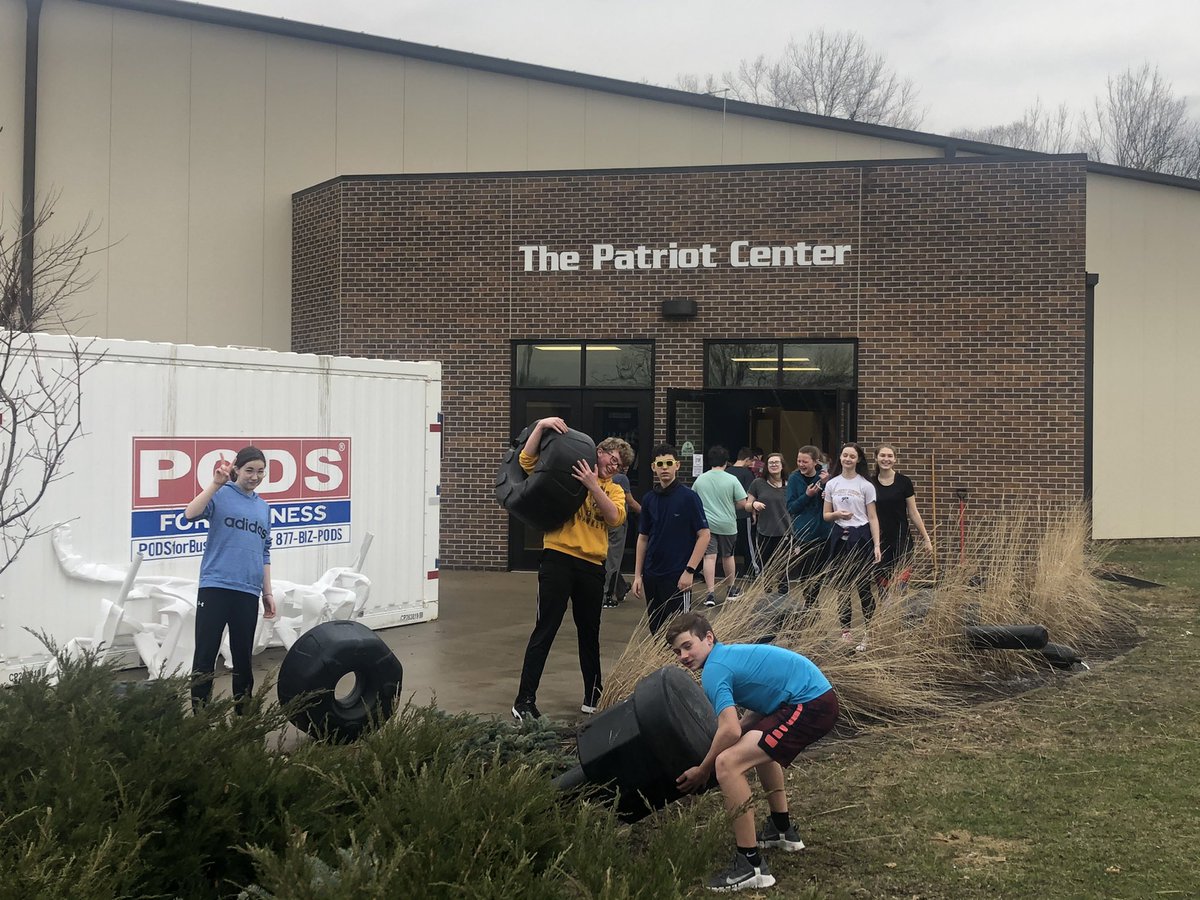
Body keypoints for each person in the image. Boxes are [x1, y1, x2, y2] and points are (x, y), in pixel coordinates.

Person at [668, 612, 839, 893]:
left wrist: (704, 768)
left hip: (810, 704)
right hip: (809, 699)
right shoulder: (726, 656)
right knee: (753, 744)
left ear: (708, 638)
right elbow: (750, 717)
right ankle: (781, 830)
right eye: (677, 651)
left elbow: (729, 731)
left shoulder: (714, 669)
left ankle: (751, 866)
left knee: (727, 764)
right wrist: (736, 736)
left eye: (688, 646)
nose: (683, 656)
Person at [512, 419, 631, 721]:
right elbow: (526, 462)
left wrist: (594, 485)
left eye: (619, 466)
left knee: (589, 633)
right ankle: (524, 700)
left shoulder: (614, 490)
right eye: (611, 459)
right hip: (558, 559)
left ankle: (593, 695)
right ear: (599, 451)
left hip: (592, 566)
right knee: (546, 628)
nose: (613, 466)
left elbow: (615, 518)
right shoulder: (567, 469)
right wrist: (539, 427)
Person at [185, 445, 276, 714]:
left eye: (261, 471)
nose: (255, 476)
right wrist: (214, 484)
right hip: (215, 587)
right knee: (205, 656)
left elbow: (264, 551)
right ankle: (201, 716)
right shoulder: (221, 494)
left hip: (247, 592)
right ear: (236, 469)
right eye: (249, 470)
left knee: (243, 659)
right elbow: (190, 514)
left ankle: (244, 715)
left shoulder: (263, 507)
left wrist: (267, 592)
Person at [632, 444, 710, 634]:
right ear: (653, 467)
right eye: (660, 464)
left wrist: (689, 571)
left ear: (677, 465)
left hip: (677, 576)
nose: (664, 467)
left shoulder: (689, 498)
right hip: (652, 575)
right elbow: (643, 538)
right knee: (656, 629)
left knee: (681, 631)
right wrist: (637, 575)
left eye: (668, 463)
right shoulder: (650, 499)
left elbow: (704, 535)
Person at [822, 443, 882, 649]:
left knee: (864, 588)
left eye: (852, 456)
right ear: (840, 458)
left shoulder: (865, 485)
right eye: (845, 455)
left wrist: (876, 545)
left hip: (861, 537)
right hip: (840, 538)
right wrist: (838, 514)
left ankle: (869, 632)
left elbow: (873, 517)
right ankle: (845, 632)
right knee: (842, 588)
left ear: (858, 460)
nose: (848, 459)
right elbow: (826, 515)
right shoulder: (832, 484)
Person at [692, 446, 752, 607]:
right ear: (726, 462)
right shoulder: (731, 479)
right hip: (728, 524)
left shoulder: (701, 479)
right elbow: (742, 503)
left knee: (709, 557)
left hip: (707, 525)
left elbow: (694, 501)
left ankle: (710, 594)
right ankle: (731, 590)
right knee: (728, 556)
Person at [871, 444, 933, 590]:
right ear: (876, 458)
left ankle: (898, 612)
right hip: (879, 541)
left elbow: (913, 512)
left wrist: (926, 539)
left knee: (900, 586)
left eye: (890, 456)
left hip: (902, 539)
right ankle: (886, 612)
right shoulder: (870, 483)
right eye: (882, 455)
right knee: (883, 586)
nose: (886, 459)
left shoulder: (904, 482)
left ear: (895, 459)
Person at [785, 445, 831, 611]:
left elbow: (832, 502)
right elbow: (791, 507)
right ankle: (810, 604)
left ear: (815, 462)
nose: (801, 464)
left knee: (820, 571)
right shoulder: (794, 478)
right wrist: (807, 496)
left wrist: (826, 486)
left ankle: (814, 602)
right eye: (798, 460)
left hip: (823, 532)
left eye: (805, 461)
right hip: (803, 534)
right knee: (805, 572)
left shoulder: (825, 478)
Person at [746, 452, 791, 594]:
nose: (773, 465)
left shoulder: (789, 484)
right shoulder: (758, 483)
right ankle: (767, 594)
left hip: (785, 532)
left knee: (783, 566)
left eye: (776, 462)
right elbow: (747, 504)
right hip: (765, 531)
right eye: (770, 463)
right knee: (765, 565)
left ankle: (783, 595)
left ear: (782, 465)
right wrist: (754, 505)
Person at [603, 457, 642, 608]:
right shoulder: (621, 478)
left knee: (606, 557)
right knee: (613, 559)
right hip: (617, 523)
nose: (626, 468)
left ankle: (620, 588)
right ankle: (607, 595)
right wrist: (646, 513)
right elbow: (630, 502)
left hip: (602, 521)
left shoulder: (602, 475)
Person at [729, 448, 760, 581]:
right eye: (751, 461)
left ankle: (728, 571)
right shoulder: (747, 474)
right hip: (743, 513)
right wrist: (753, 512)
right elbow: (750, 495)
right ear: (747, 459)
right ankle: (753, 569)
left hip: (729, 513)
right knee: (749, 542)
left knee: (728, 545)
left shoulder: (726, 472)